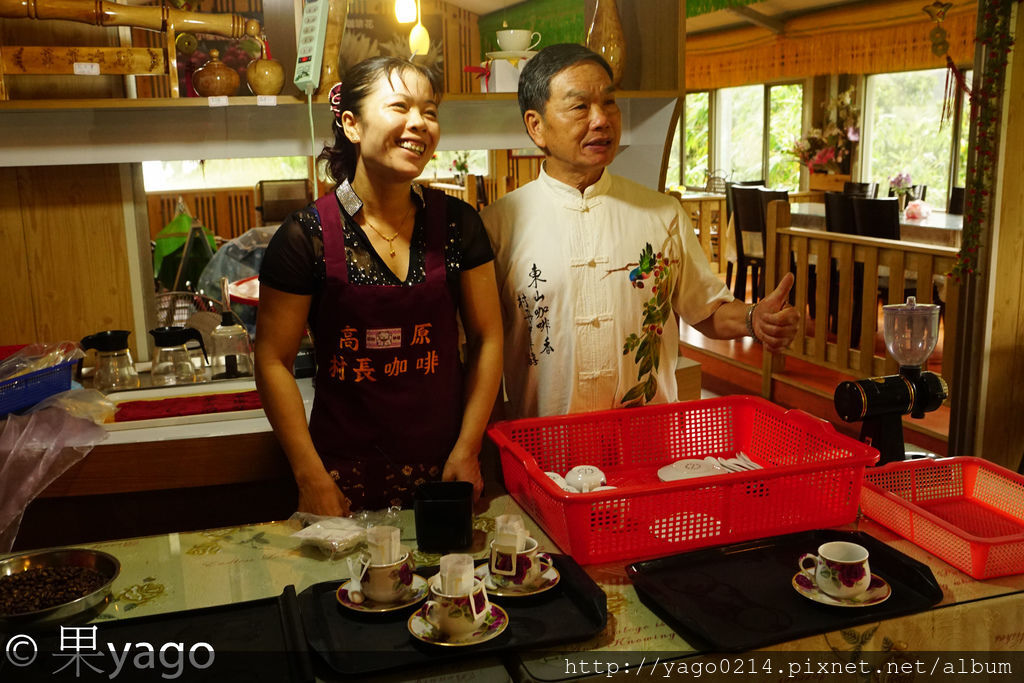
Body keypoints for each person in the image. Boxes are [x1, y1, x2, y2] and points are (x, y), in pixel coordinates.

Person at [480, 44, 799, 419]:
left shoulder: (662, 213)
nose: (601, 120)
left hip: (648, 440)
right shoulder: (498, 225)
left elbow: (705, 310)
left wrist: (753, 319)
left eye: (609, 102)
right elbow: (481, 344)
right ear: (537, 126)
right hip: (544, 443)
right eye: (580, 106)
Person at [255, 56, 503, 516]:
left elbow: (488, 337)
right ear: (352, 124)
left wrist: (469, 449)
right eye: (400, 107)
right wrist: (310, 476)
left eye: (430, 112)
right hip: (339, 477)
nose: (420, 123)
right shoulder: (305, 236)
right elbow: (272, 361)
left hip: (447, 470)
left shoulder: (458, 224)